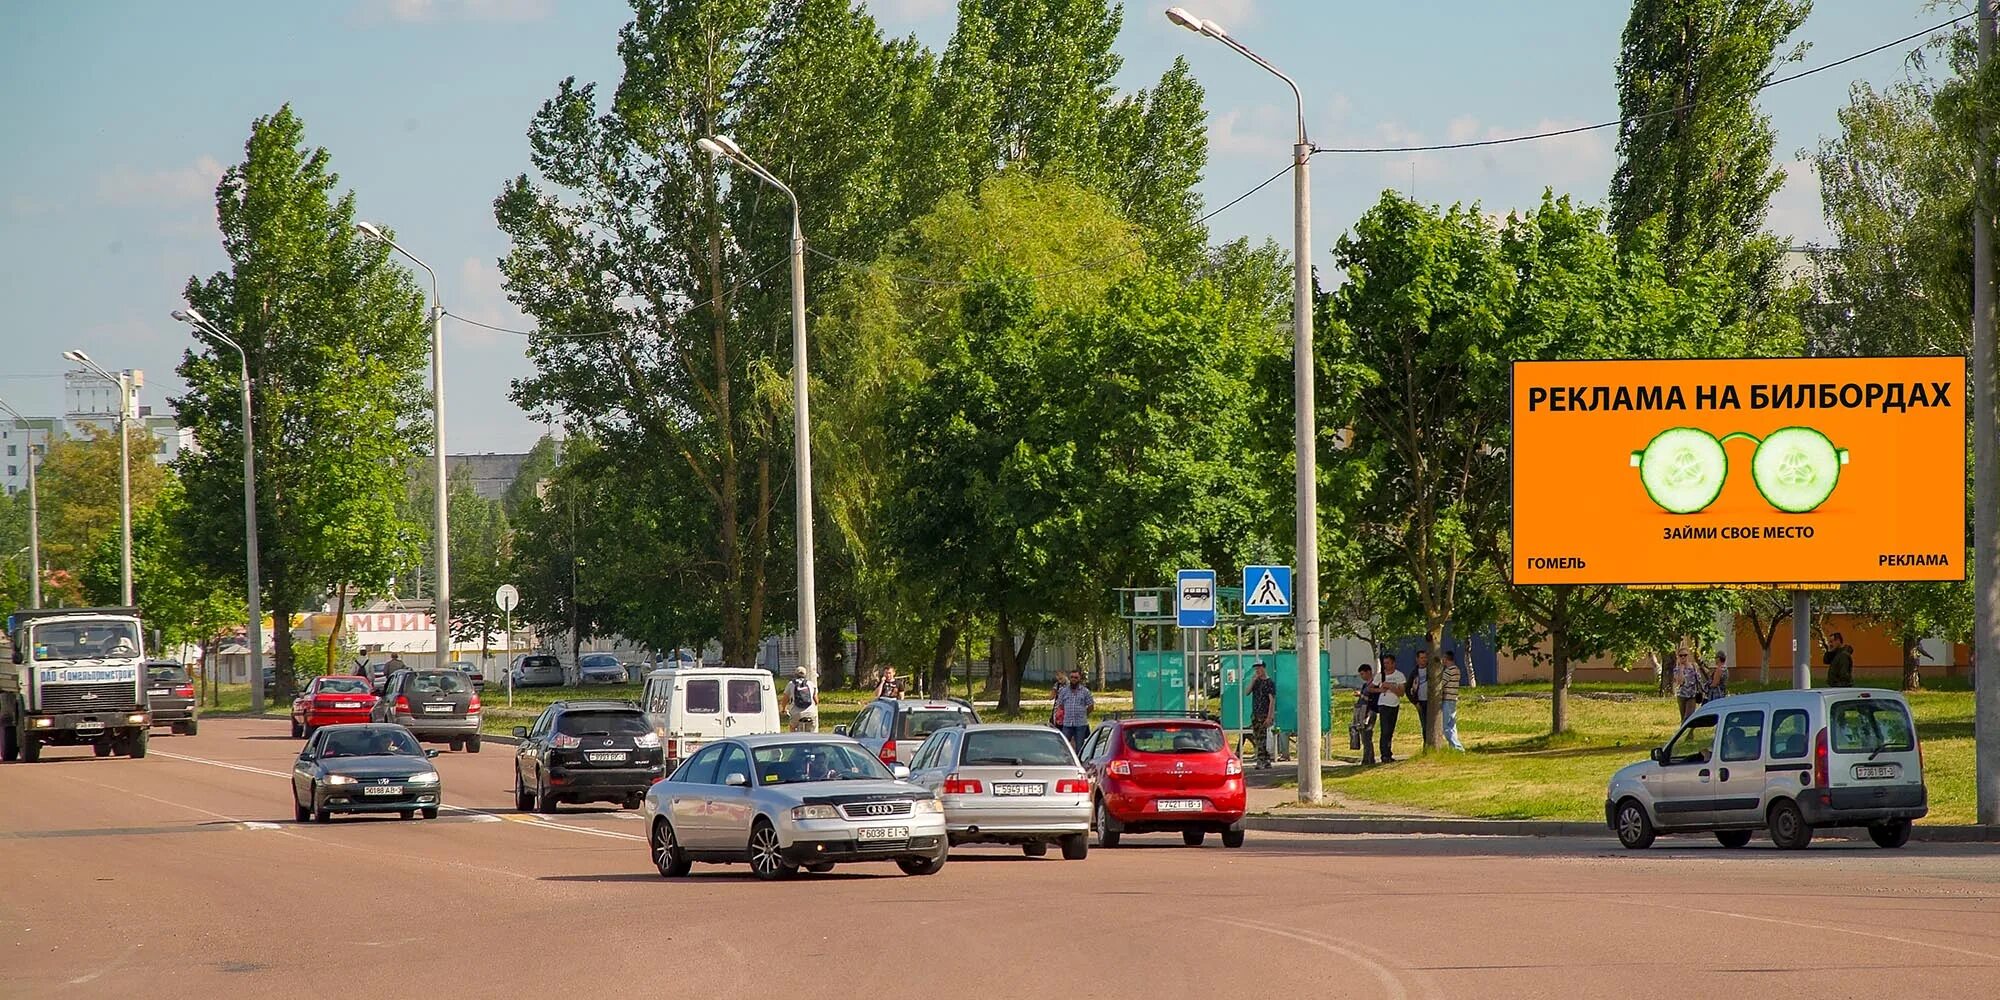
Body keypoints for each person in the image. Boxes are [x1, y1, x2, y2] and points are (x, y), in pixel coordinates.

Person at [1374, 652, 1405, 763]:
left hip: (1394, 704)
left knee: (1390, 730)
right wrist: (1380, 690)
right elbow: (1370, 688)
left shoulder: (1399, 675)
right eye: (1384, 663)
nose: (1386, 665)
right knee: (1385, 730)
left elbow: (1401, 692)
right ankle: (1384, 754)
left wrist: (1391, 686)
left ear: (1393, 663)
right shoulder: (1380, 676)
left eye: (1388, 663)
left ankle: (1389, 752)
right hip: (1383, 705)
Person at [1246, 661, 1278, 768]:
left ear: (1264, 668)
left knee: (1263, 738)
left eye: (1259, 668)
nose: (1257, 671)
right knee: (1257, 737)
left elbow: (1272, 700)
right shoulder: (1256, 682)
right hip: (1255, 714)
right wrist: (1252, 681)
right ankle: (1264, 760)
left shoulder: (1269, 683)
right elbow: (1247, 692)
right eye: (1256, 669)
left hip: (1264, 714)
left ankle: (1262, 760)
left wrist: (1270, 716)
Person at [1055, 670, 1094, 751]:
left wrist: (1083, 714)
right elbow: (1060, 705)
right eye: (1072, 677)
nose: (1073, 679)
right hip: (1067, 723)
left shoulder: (1085, 691)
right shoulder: (1064, 691)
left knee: (1080, 747)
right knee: (1063, 746)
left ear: (1079, 679)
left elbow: (1091, 706)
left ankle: (1079, 762)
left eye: (1076, 677)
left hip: (1080, 724)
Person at [1351, 664, 1379, 765]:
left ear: (1368, 672)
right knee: (1364, 737)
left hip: (1370, 711)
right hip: (1362, 711)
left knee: (1367, 736)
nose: (1362, 676)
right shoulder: (1365, 685)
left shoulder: (1374, 684)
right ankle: (1366, 758)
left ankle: (1369, 759)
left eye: (1363, 674)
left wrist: (1361, 695)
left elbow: (1372, 700)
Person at [1439, 649, 1465, 751]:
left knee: (1445, 726)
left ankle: (1457, 747)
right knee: (1452, 725)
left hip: (1447, 699)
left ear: (1446, 659)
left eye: (1443, 658)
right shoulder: (1457, 669)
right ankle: (1454, 748)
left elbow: (1441, 684)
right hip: (1453, 699)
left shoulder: (1449, 671)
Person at [784, 665, 818, 733]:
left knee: (792, 726)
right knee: (812, 729)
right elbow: (816, 701)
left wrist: (783, 709)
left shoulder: (791, 684)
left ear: (795, 675)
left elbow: (785, 699)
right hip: (810, 713)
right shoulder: (811, 684)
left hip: (796, 713)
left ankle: (794, 740)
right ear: (805, 675)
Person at [1409, 649, 1432, 746]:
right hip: (1420, 702)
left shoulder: (1431, 670)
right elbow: (1407, 689)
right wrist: (1415, 702)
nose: (1424, 660)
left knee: (1432, 725)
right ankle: (1426, 745)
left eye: (1425, 658)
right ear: (1417, 659)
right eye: (1422, 658)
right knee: (1424, 725)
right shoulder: (1414, 672)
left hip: (1431, 702)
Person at [1672, 648, 1703, 720]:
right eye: (1681, 655)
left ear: (1688, 656)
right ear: (1678, 657)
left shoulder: (1694, 666)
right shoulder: (1677, 669)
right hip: (1681, 695)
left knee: (1688, 717)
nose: (1683, 657)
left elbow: (1699, 679)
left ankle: (1685, 730)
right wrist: (1681, 669)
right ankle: (1685, 730)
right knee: (1683, 718)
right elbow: (1680, 682)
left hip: (1692, 695)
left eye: (1685, 655)